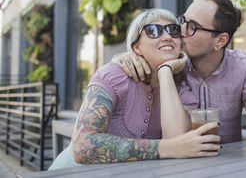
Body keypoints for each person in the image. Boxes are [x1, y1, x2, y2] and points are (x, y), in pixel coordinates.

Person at [49, 9, 221, 170]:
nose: (167, 36)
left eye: (173, 30)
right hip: (71, 172)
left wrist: (165, 72)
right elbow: (83, 146)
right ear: (137, 47)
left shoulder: (180, 90)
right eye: (153, 31)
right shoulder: (114, 75)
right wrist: (165, 148)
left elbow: (178, 143)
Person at [113, 0, 246, 143]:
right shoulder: (171, 62)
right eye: (182, 20)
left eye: (193, 27)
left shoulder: (244, 65)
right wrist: (127, 57)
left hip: (229, 163)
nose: (181, 30)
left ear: (220, 40)